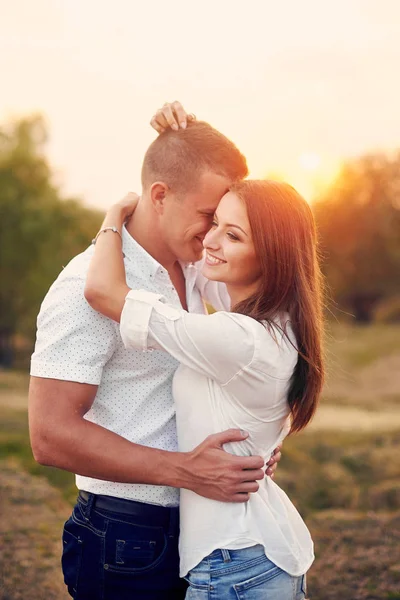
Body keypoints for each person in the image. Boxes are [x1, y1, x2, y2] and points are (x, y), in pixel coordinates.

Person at [28, 102, 281, 600]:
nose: (213, 235)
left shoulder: (192, 267)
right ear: (160, 196)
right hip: (124, 534)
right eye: (208, 216)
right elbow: (49, 435)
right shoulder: (86, 283)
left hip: (194, 524)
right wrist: (185, 470)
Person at [85, 173, 324, 599]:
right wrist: (182, 131)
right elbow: (197, 256)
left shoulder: (239, 338)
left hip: (233, 565)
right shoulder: (281, 319)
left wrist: (113, 218)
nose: (210, 241)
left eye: (232, 235)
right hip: (257, 555)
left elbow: (103, 291)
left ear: (271, 256)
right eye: (213, 221)